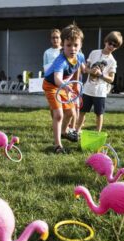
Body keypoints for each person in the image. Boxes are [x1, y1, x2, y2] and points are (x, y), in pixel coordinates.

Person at [42, 23, 86, 154]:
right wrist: (66, 85)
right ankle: (57, 145)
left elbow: (82, 68)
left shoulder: (79, 56)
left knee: (71, 113)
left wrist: (77, 83)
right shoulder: (60, 60)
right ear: (63, 44)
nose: (72, 49)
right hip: (51, 86)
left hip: (65, 86)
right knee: (59, 115)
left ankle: (63, 131)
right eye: (68, 45)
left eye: (76, 45)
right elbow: (57, 78)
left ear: (80, 45)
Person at [76, 31, 123, 133]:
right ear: (105, 41)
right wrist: (91, 71)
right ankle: (77, 131)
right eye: (110, 43)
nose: (111, 46)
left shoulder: (112, 61)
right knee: (82, 112)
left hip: (100, 92)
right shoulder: (94, 53)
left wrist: (101, 75)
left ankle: (97, 134)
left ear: (116, 48)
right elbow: (85, 69)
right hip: (87, 89)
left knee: (99, 114)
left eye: (114, 46)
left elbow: (111, 79)